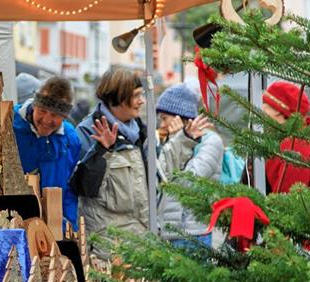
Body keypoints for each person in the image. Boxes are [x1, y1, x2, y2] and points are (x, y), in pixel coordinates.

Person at [70, 68, 210, 252]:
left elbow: (159, 173)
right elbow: (84, 187)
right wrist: (102, 150)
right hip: (109, 247)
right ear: (119, 97)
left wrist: (184, 139)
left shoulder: (139, 131)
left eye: (142, 94)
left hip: (141, 241)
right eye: (136, 96)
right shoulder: (91, 131)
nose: (142, 101)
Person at [156, 84, 224, 247]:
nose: (162, 124)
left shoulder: (211, 141)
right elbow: (162, 178)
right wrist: (178, 141)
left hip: (193, 232)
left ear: (181, 117)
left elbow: (187, 182)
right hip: (168, 230)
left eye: (165, 118)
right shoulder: (172, 141)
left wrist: (180, 141)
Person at [12, 75, 81, 228]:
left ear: (64, 116)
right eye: (42, 111)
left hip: (54, 226)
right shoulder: (9, 125)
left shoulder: (70, 140)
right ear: (35, 105)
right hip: (15, 223)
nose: (47, 120)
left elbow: (69, 189)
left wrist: (69, 226)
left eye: (55, 115)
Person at [262, 81, 310, 193]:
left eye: (265, 103)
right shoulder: (278, 142)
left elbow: (286, 201)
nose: (261, 109)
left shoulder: (296, 148)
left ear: (278, 111)